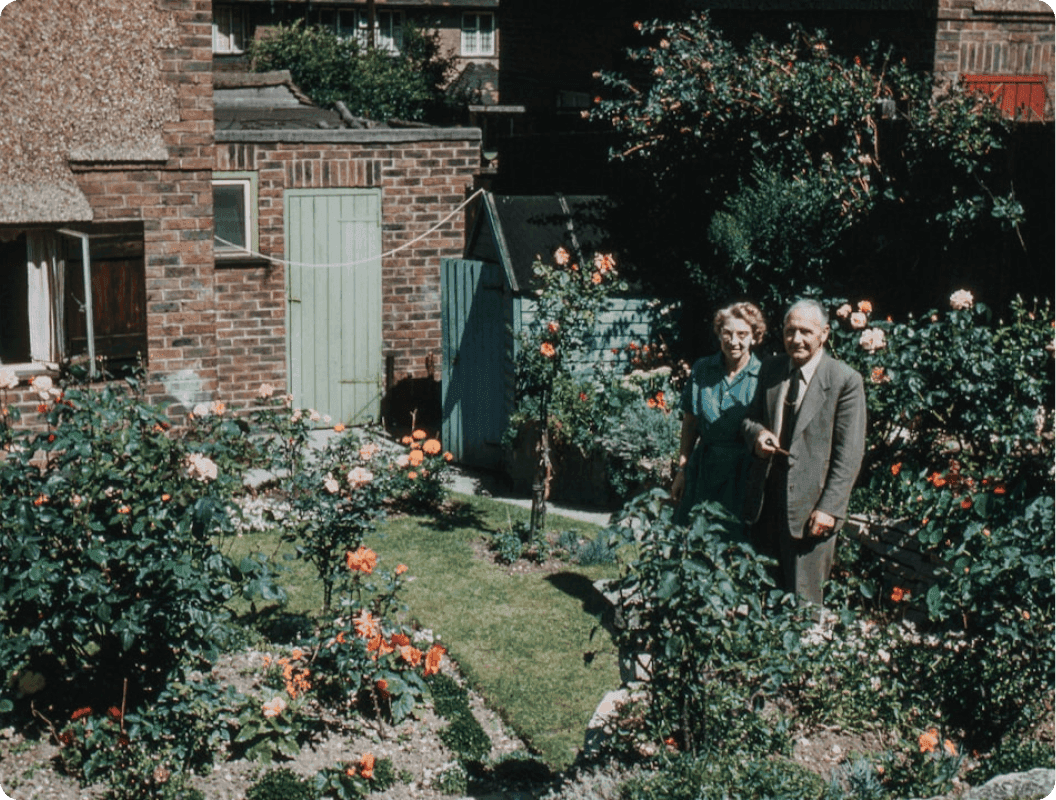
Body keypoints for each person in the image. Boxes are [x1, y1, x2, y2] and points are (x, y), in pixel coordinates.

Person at [741, 298, 866, 607]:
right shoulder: (770, 369)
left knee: (805, 601)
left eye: (805, 332)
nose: (795, 339)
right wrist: (757, 435)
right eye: (789, 331)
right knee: (765, 593)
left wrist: (830, 508)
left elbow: (848, 454)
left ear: (823, 334)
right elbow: (748, 419)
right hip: (766, 501)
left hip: (811, 509)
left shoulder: (844, 381)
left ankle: (803, 651)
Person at [671, 301, 765, 525]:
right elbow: (690, 422)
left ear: (755, 336)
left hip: (741, 474)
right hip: (703, 467)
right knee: (692, 534)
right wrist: (682, 470)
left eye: (742, 334)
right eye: (727, 333)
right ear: (719, 334)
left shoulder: (764, 375)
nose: (734, 342)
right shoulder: (703, 369)